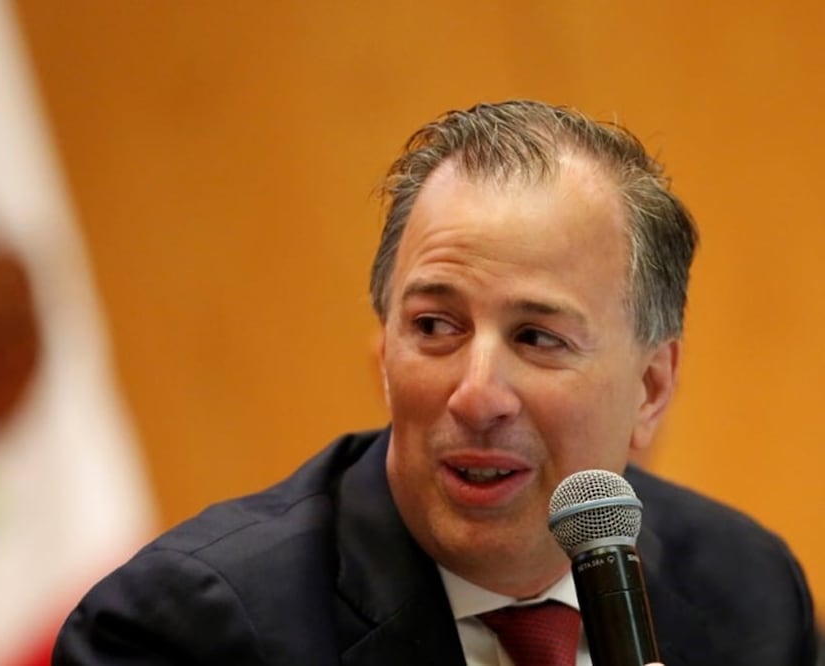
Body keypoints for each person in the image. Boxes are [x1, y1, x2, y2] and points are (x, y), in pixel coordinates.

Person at [52, 101, 817, 665]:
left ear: (649, 389)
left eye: (536, 337)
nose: (476, 394)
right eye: (434, 328)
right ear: (382, 353)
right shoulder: (185, 633)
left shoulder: (746, 590)